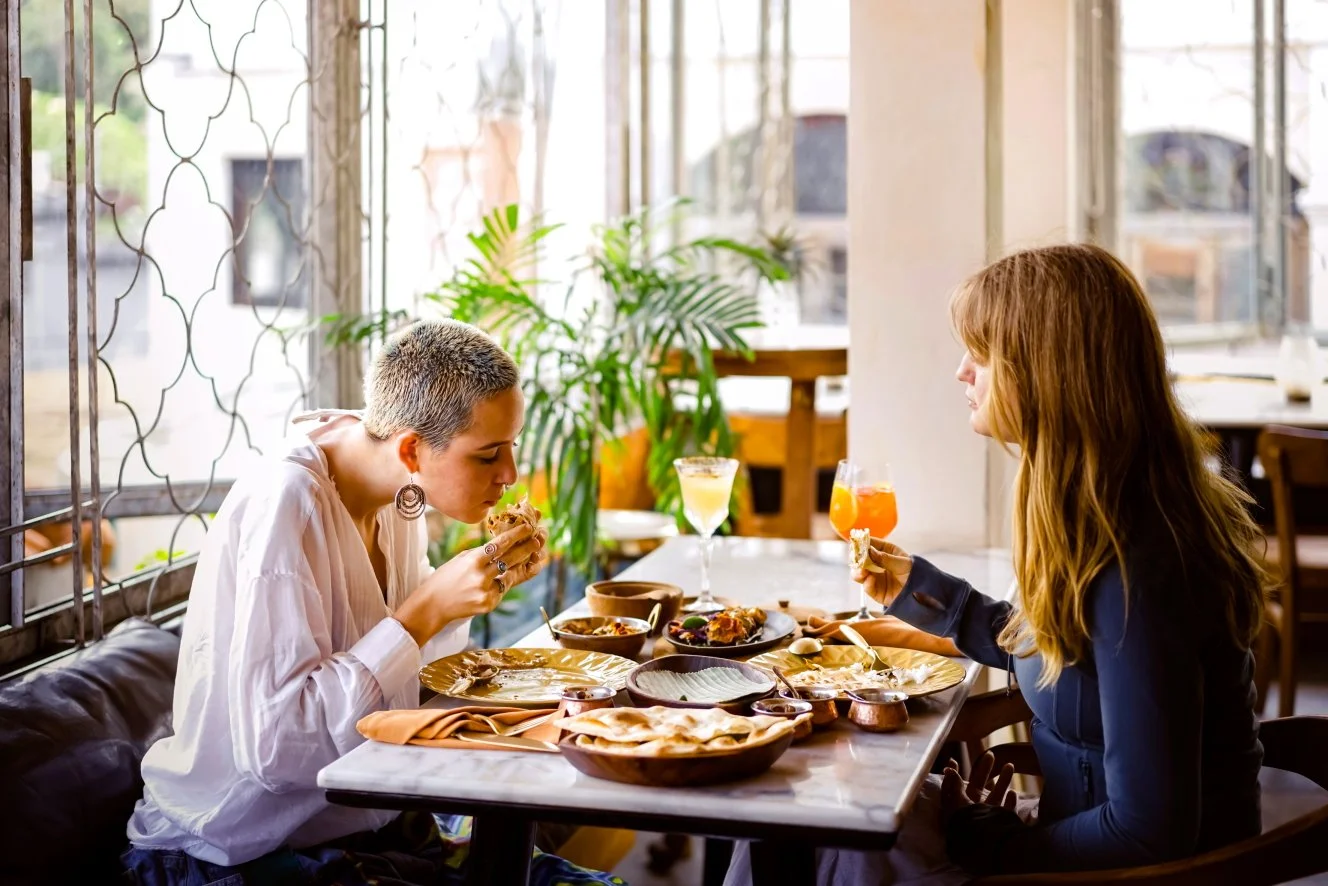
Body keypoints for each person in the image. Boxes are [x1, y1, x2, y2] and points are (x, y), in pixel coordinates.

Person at [728, 243, 1268, 884]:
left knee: (814, 824)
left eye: (981, 355)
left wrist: (988, 839)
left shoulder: (1137, 566)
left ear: (1048, 374)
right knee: (811, 816)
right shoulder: (1101, 514)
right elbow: (1066, 655)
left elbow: (1148, 833)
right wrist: (924, 593)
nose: (962, 371)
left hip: (1121, 874)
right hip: (1076, 840)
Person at [122, 320, 623, 886]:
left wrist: (468, 598)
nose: (510, 474)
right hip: (238, 850)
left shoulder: (402, 495)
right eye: (488, 455)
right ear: (411, 449)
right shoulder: (286, 503)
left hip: (374, 825)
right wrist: (423, 613)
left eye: (512, 446)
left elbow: (410, 685)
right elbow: (276, 751)